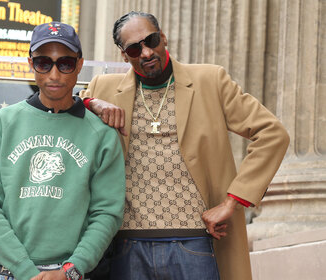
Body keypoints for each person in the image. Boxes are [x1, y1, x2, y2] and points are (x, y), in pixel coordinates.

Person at [80, 11, 290, 280]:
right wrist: (91, 103)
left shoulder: (210, 81)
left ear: (163, 38)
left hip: (197, 242)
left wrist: (232, 201)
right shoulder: (103, 88)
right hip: (127, 244)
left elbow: (272, 133)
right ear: (123, 55)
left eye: (151, 40)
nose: (145, 53)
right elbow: (65, 109)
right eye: (134, 48)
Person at [0, 21, 126, 280]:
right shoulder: (0, 123)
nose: (54, 75)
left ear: (79, 64)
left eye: (64, 63)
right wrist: (25, 270)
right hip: (5, 272)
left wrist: (70, 270)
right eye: (44, 63)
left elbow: (107, 212)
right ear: (31, 64)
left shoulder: (102, 134)